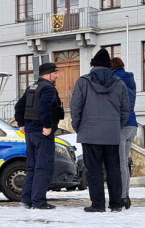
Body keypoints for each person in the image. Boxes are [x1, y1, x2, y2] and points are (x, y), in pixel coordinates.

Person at [70, 49, 130, 213]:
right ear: (108, 66)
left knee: (94, 170)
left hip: (90, 133)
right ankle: (116, 203)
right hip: (111, 134)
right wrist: (116, 126)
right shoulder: (119, 83)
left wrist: (78, 126)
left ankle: (97, 204)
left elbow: (75, 107)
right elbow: (126, 109)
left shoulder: (83, 82)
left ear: (92, 65)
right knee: (113, 169)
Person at [15, 62, 65, 210]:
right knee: (43, 168)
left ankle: (26, 200)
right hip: (42, 133)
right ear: (47, 74)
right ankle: (38, 201)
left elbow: (19, 106)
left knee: (32, 167)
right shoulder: (48, 88)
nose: (57, 75)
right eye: (55, 73)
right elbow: (44, 108)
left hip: (30, 132)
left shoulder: (32, 87)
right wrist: (48, 126)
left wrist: (22, 124)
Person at [111, 57, 138, 209]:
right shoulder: (129, 79)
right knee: (124, 162)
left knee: (120, 163)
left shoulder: (115, 80)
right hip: (133, 124)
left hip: (122, 123)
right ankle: (125, 194)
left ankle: (122, 196)